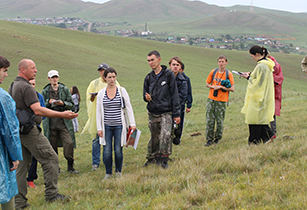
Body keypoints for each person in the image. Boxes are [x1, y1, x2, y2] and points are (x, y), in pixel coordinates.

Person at [9, 59, 77, 209]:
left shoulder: (14, 85)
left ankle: (19, 203)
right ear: (23, 70)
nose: (36, 71)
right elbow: (38, 110)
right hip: (29, 131)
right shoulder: (26, 87)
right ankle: (51, 194)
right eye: (33, 68)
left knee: (22, 167)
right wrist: (62, 115)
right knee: (51, 158)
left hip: (18, 130)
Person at [143, 50, 181, 169]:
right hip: (153, 112)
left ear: (159, 60)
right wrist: (147, 97)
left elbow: (175, 95)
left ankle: (164, 159)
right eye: (148, 60)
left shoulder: (168, 75)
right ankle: (153, 158)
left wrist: (177, 114)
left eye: (152, 60)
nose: (150, 63)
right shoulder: (148, 77)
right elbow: (144, 94)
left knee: (165, 135)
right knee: (154, 136)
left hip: (166, 111)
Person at [96, 68, 136, 179]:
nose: (112, 79)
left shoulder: (122, 91)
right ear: (105, 78)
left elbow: (129, 107)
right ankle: (108, 173)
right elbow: (98, 111)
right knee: (107, 151)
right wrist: (99, 128)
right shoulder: (101, 94)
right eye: (109, 77)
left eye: (114, 77)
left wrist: (132, 123)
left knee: (118, 150)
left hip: (119, 125)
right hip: (106, 126)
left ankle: (118, 172)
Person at [82, 63, 120, 171]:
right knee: (96, 139)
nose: (102, 72)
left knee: (108, 139)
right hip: (97, 114)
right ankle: (95, 162)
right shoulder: (94, 83)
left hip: (110, 114)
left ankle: (107, 160)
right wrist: (93, 97)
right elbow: (89, 98)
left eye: (104, 70)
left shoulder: (114, 82)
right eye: (100, 70)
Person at [42, 70, 79, 174]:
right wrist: (48, 102)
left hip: (64, 123)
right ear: (48, 79)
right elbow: (41, 106)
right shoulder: (45, 91)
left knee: (69, 143)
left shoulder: (64, 89)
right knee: (52, 147)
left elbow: (71, 104)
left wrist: (63, 103)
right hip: (51, 124)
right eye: (52, 77)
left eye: (56, 77)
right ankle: (55, 168)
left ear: (58, 77)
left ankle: (70, 166)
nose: (54, 79)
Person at [241, 46, 276, 145]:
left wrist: (248, 78)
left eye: (252, 56)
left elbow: (259, 83)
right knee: (259, 119)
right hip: (264, 96)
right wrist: (251, 74)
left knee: (254, 119)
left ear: (257, 54)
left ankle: (255, 140)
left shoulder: (261, 66)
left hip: (259, 97)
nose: (252, 58)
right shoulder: (266, 64)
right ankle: (265, 137)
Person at [0, 55, 23, 210]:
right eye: (4, 70)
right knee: (5, 191)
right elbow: (9, 130)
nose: (6, 74)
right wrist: (15, 156)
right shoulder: (3, 97)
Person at [205, 55, 235, 146]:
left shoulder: (228, 74)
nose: (221, 63)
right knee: (210, 120)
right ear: (217, 62)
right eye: (219, 61)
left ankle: (217, 138)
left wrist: (221, 87)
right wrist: (213, 87)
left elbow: (232, 89)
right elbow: (207, 83)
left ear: (226, 62)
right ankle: (209, 139)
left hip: (222, 100)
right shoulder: (213, 72)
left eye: (223, 61)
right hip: (211, 99)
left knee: (219, 120)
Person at [26, 79, 46, 189]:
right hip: (22, 130)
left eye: (33, 84)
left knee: (34, 156)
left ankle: (30, 179)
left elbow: (43, 112)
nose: (31, 86)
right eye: (29, 84)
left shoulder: (39, 97)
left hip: (35, 128)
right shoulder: (22, 96)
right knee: (23, 157)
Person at [168, 57, 187, 145]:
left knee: (176, 128)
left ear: (180, 67)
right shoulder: (165, 78)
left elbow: (182, 97)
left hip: (177, 108)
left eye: (177, 65)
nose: (175, 67)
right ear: (170, 66)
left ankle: (177, 137)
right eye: (173, 64)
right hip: (164, 108)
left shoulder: (183, 80)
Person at [268, 55, 284, 134]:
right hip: (269, 91)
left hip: (274, 92)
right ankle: (269, 130)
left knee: (272, 112)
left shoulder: (276, 65)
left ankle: (273, 130)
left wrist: (270, 77)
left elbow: (280, 78)